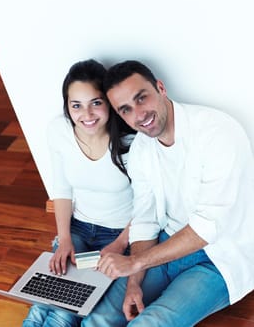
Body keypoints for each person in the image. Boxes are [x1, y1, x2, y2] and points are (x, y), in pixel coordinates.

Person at [81, 60, 254, 327]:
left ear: (160, 88)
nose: (139, 115)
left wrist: (135, 262)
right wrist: (134, 282)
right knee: (97, 319)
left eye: (141, 98)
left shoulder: (217, 132)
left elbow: (207, 229)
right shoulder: (141, 149)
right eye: (126, 109)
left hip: (218, 257)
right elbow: (145, 219)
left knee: (149, 324)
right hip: (164, 245)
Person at [22, 59, 135, 327]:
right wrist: (64, 240)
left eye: (95, 102)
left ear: (108, 102)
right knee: (43, 305)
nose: (87, 114)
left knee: (65, 311)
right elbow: (62, 189)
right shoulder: (58, 131)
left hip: (118, 237)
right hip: (78, 231)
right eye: (76, 105)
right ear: (67, 107)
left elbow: (148, 204)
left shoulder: (131, 142)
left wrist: (119, 244)